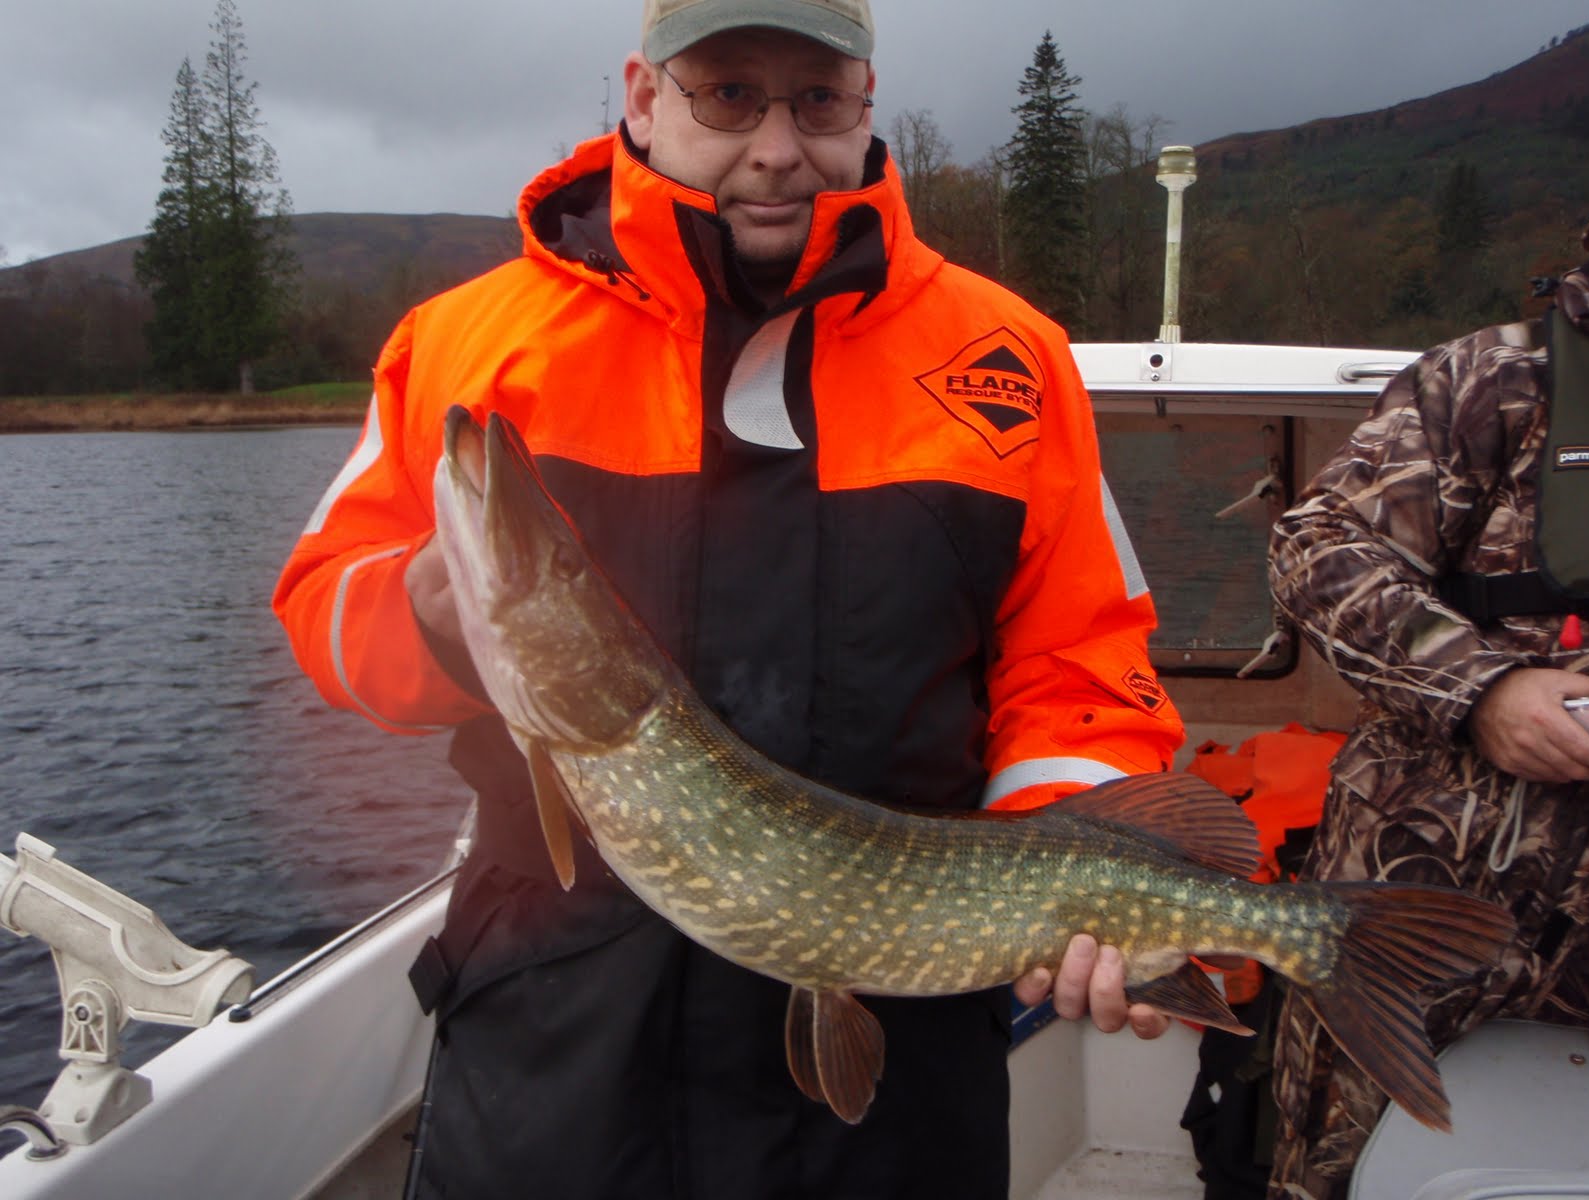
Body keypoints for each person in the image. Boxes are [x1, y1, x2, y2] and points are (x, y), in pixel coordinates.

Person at [273, 1, 1185, 1194]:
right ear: (644, 98)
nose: (773, 144)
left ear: (866, 103)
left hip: (893, 1062)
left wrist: (1064, 855)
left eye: (815, 99)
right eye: (726, 95)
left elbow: (1081, 657)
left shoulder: (1006, 357)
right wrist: (433, 615)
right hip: (556, 1048)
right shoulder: (463, 343)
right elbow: (323, 608)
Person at [1265, 211, 1589, 1199]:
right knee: (1341, 1173)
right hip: (1412, 927)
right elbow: (1318, 551)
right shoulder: (1491, 382)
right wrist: (1484, 690)